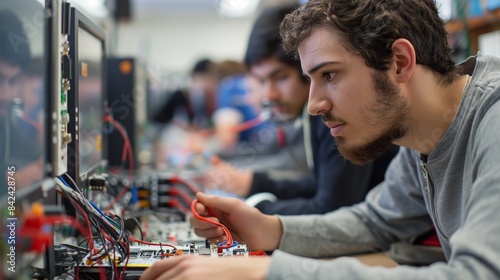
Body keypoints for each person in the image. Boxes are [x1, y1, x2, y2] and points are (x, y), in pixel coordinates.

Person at [140, 0, 500, 279]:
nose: (313, 105)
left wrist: (269, 272)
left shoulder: (493, 119)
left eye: (330, 74)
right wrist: (270, 229)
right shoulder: (421, 133)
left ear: (400, 62)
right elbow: (375, 221)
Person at [202, 4, 398, 215]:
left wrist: (252, 210)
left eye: (281, 77)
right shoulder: (315, 115)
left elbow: (332, 208)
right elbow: (318, 183)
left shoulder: (336, 114)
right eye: (261, 81)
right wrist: (255, 185)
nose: (269, 95)